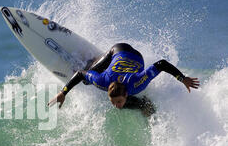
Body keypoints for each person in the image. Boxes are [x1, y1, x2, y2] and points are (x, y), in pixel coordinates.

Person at [47, 43, 200, 116]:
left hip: (133, 54)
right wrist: (63, 92)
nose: (115, 105)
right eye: (114, 101)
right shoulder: (102, 81)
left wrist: (182, 78)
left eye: (118, 101)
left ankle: (143, 105)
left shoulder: (138, 82)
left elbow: (161, 64)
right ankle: (93, 61)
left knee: (141, 105)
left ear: (126, 94)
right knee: (87, 79)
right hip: (117, 51)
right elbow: (80, 73)